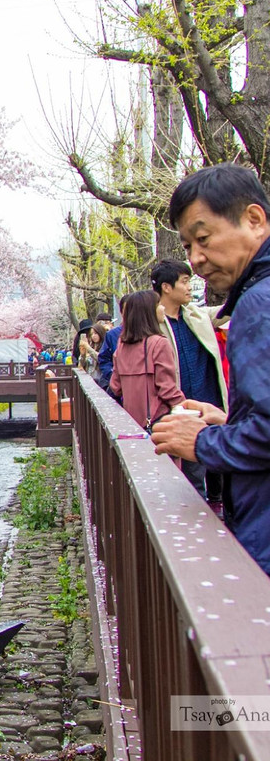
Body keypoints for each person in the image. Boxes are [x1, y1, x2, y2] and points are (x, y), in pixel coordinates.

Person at [151, 164, 270, 574]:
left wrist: (204, 442)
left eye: (203, 239)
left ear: (254, 219)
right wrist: (230, 421)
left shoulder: (259, 302)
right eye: (187, 247)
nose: (196, 259)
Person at [151, 259, 229, 499]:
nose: (189, 288)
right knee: (193, 479)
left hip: (211, 405)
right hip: (183, 411)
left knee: (223, 474)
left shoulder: (197, 314)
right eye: (184, 282)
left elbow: (227, 311)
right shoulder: (153, 323)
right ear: (166, 287)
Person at [110, 290, 185, 438]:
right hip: (159, 424)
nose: (163, 308)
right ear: (148, 311)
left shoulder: (122, 346)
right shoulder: (159, 343)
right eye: (159, 305)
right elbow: (167, 389)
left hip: (133, 425)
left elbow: (116, 387)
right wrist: (186, 408)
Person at [97, 294, 130, 388]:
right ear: (121, 312)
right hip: (118, 387)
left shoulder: (147, 333)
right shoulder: (112, 335)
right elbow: (103, 358)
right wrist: (112, 376)